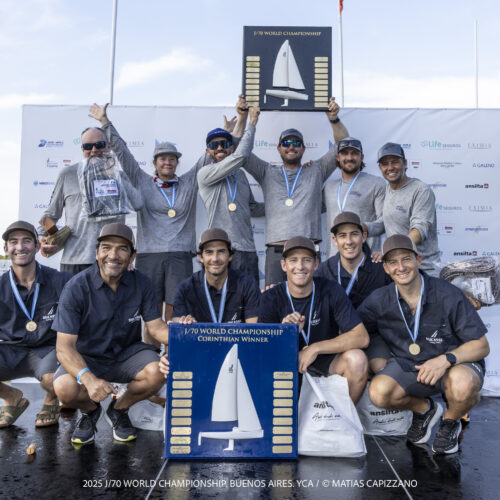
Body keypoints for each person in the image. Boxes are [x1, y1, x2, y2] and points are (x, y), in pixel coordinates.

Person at [358, 235, 489, 454]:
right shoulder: (378, 299)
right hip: (412, 366)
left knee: (463, 384)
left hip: (454, 366)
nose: (401, 267)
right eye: (393, 262)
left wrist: (445, 360)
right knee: (380, 392)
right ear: (386, 268)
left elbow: (482, 345)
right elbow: (357, 330)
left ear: (418, 260)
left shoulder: (448, 294)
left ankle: (450, 421)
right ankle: (425, 410)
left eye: (406, 259)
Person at [52, 223, 170, 445]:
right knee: (63, 388)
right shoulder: (76, 287)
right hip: (87, 357)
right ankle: (90, 411)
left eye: (122, 249)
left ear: (132, 256)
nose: (113, 255)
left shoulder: (142, 282)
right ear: (96, 252)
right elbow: (64, 347)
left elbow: (156, 328)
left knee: (158, 372)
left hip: (127, 354)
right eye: (106, 247)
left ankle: (118, 409)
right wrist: (88, 379)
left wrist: (189, 337)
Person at [241, 97, 349, 286]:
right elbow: (241, 154)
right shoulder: (266, 171)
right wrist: (248, 120)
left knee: (311, 300)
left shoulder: (316, 169)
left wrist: (334, 119)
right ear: (279, 148)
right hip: (277, 252)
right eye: (287, 143)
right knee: (273, 300)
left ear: (304, 148)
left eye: (296, 143)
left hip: (309, 250)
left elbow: (343, 144)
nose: (291, 146)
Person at [259, 236, 369, 403]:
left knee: (357, 360)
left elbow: (361, 337)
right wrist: (285, 334)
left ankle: (341, 416)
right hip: (287, 362)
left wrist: (315, 349)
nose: (300, 266)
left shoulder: (331, 290)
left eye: (306, 260)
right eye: (293, 260)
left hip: (325, 360)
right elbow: (263, 352)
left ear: (316, 264)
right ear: (283, 265)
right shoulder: (270, 297)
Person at [38, 124, 142, 275]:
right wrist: (43, 236)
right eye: (88, 146)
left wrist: (114, 176)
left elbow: (138, 204)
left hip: (111, 261)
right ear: (82, 149)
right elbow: (49, 215)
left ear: (108, 146)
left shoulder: (120, 176)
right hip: (74, 260)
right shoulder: (68, 174)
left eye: (99, 145)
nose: (94, 150)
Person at [0, 221, 70, 428]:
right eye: (13, 242)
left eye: (26, 241)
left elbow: (92, 286)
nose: (20, 247)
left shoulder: (60, 280)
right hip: (12, 350)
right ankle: (11, 396)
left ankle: (51, 399)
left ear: (38, 246)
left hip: (48, 351)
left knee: (55, 380)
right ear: (6, 249)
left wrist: (127, 266)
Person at [197, 100, 264, 282]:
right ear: (208, 151)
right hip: (221, 251)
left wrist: (280, 206)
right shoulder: (205, 173)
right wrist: (251, 123)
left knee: (250, 299)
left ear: (231, 147)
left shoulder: (240, 175)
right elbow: (241, 156)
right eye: (214, 145)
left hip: (248, 251)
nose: (219, 148)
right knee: (222, 298)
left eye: (224, 144)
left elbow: (252, 208)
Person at [365, 143, 441, 276]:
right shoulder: (388, 189)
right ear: (380, 168)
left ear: (405, 163)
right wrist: (363, 228)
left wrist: (390, 251)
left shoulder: (421, 190)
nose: (390, 168)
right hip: (399, 269)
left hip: (423, 270)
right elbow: (388, 221)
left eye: (395, 162)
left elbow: (418, 231)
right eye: (385, 164)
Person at [172, 228, 261, 324]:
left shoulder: (247, 284)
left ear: (230, 256)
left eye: (221, 251)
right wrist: (184, 323)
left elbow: (254, 329)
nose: (215, 258)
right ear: (201, 257)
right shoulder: (185, 288)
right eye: (209, 252)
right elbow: (177, 324)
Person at [323, 137, 386, 256]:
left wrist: (363, 227)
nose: (349, 158)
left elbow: (385, 221)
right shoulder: (329, 187)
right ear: (338, 157)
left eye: (354, 153)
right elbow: (309, 205)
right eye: (345, 153)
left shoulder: (376, 184)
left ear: (362, 157)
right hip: (334, 257)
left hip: (365, 258)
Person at [316, 211, 392, 309]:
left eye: (354, 234)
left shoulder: (381, 268)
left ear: (364, 236)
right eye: (342, 235)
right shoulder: (324, 271)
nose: (349, 241)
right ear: (335, 240)